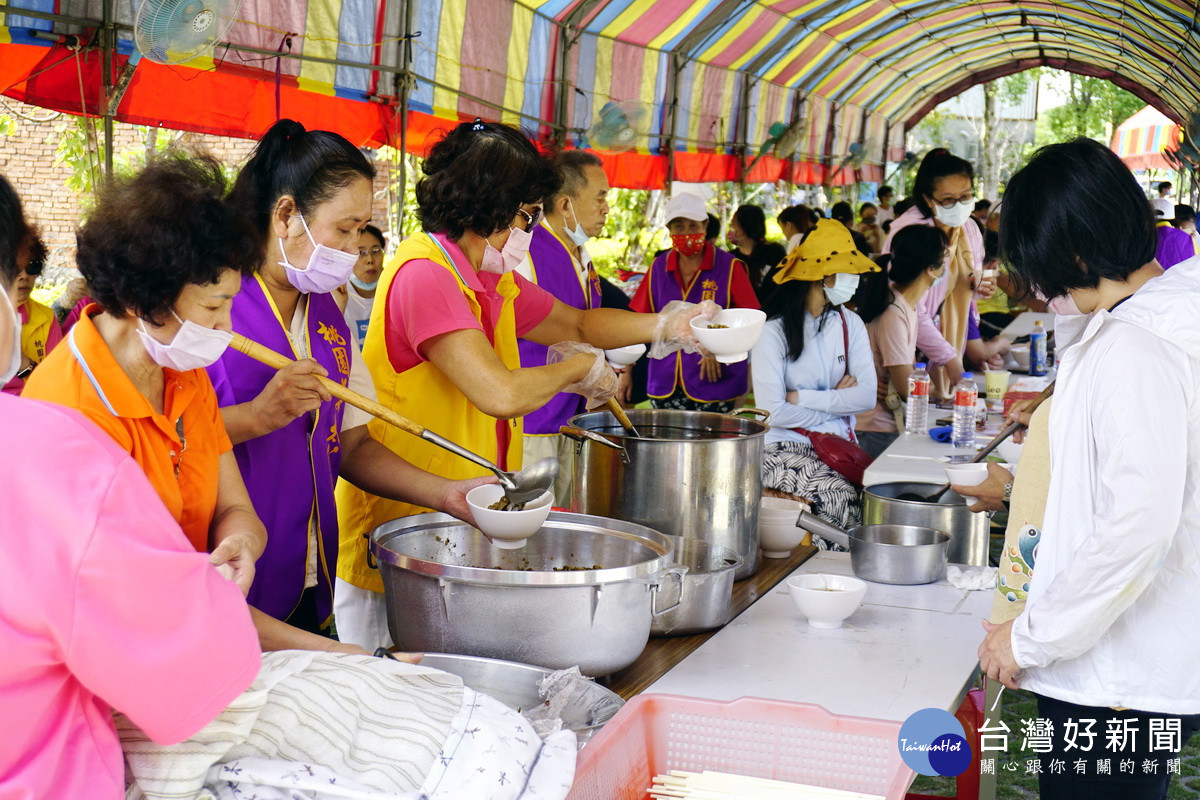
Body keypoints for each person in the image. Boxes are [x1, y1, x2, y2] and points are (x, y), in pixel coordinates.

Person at [334, 120, 713, 649]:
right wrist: (579, 370)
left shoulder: (492, 277)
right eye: (527, 214)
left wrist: (668, 324)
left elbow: (579, 324)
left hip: (463, 515)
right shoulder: (425, 274)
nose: (530, 228)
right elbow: (500, 393)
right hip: (402, 527)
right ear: (490, 203)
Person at [0, 173, 262, 799]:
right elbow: (165, 636)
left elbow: (236, 510)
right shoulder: (60, 425)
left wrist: (240, 545)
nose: (227, 327)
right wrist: (346, 656)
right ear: (147, 301)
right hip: (115, 713)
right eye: (213, 307)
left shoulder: (183, 370)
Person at [207, 119, 492, 648]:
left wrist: (448, 495)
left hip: (311, 572)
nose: (355, 246)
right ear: (287, 214)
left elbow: (353, 442)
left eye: (363, 228)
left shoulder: (328, 316)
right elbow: (166, 438)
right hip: (228, 577)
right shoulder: (212, 304)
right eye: (343, 228)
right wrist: (259, 417)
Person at [977, 137, 1200, 799]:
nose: (1040, 292)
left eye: (1041, 272)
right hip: (1140, 659)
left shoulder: (1134, 347)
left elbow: (1138, 521)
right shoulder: (1163, 305)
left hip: (1115, 678)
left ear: (1072, 255)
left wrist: (1032, 639)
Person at [751, 219, 877, 543]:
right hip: (781, 445)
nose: (855, 280)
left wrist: (802, 397)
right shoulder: (772, 332)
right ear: (822, 276)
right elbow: (772, 413)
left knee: (872, 499)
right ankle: (817, 579)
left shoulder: (851, 323)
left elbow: (866, 397)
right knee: (835, 498)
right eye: (848, 271)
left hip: (836, 447)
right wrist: (835, 404)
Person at [516, 149, 611, 494]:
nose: (606, 208)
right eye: (599, 197)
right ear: (565, 205)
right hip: (532, 420)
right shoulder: (524, 254)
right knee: (531, 524)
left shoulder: (583, 257)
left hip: (573, 418)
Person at [627, 192, 759, 412]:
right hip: (665, 379)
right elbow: (636, 322)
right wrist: (626, 370)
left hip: (715, 382)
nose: (686, 233)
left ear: (705, 226)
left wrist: (717, 349)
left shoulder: (730, 267)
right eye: (678, 226)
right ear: (669, 230)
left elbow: (750, 321)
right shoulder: (659, 267)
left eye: (693, 225)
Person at [884, 149, 991, 398]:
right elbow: (907, 305)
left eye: (966, 196)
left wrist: (977, 288)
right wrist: (949, 358)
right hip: (913, 353)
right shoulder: (912, 233)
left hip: (953, 345)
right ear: (928, 199)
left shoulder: (970, 228)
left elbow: (964, 290)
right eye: (948, 200)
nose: (960, 206)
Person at [853, 225, 947, 458]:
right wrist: (937, 390)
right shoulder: (893, 314)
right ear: (930, 270)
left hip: (886, 422)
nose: (948, 266)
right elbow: (908, 388)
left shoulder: (905, 305)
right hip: (876, 428)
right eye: (945, 259)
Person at [2, 225, 61, 394]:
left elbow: (56, 383)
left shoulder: (45, 318)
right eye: (14, 266)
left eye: (33, 266)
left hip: (31, 409)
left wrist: (22, 362)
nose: (24, 275)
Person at [338, 223, 385, 350]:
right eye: (361, 252)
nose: (370, 259)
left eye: (375, 251)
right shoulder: (337, 292)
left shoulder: (394, 289)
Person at [727, 203, 787, 299]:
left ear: (745, 228)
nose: (730, 231)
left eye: (734, 226)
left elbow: (780, 289)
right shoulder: (731, 258)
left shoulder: (774, 252)